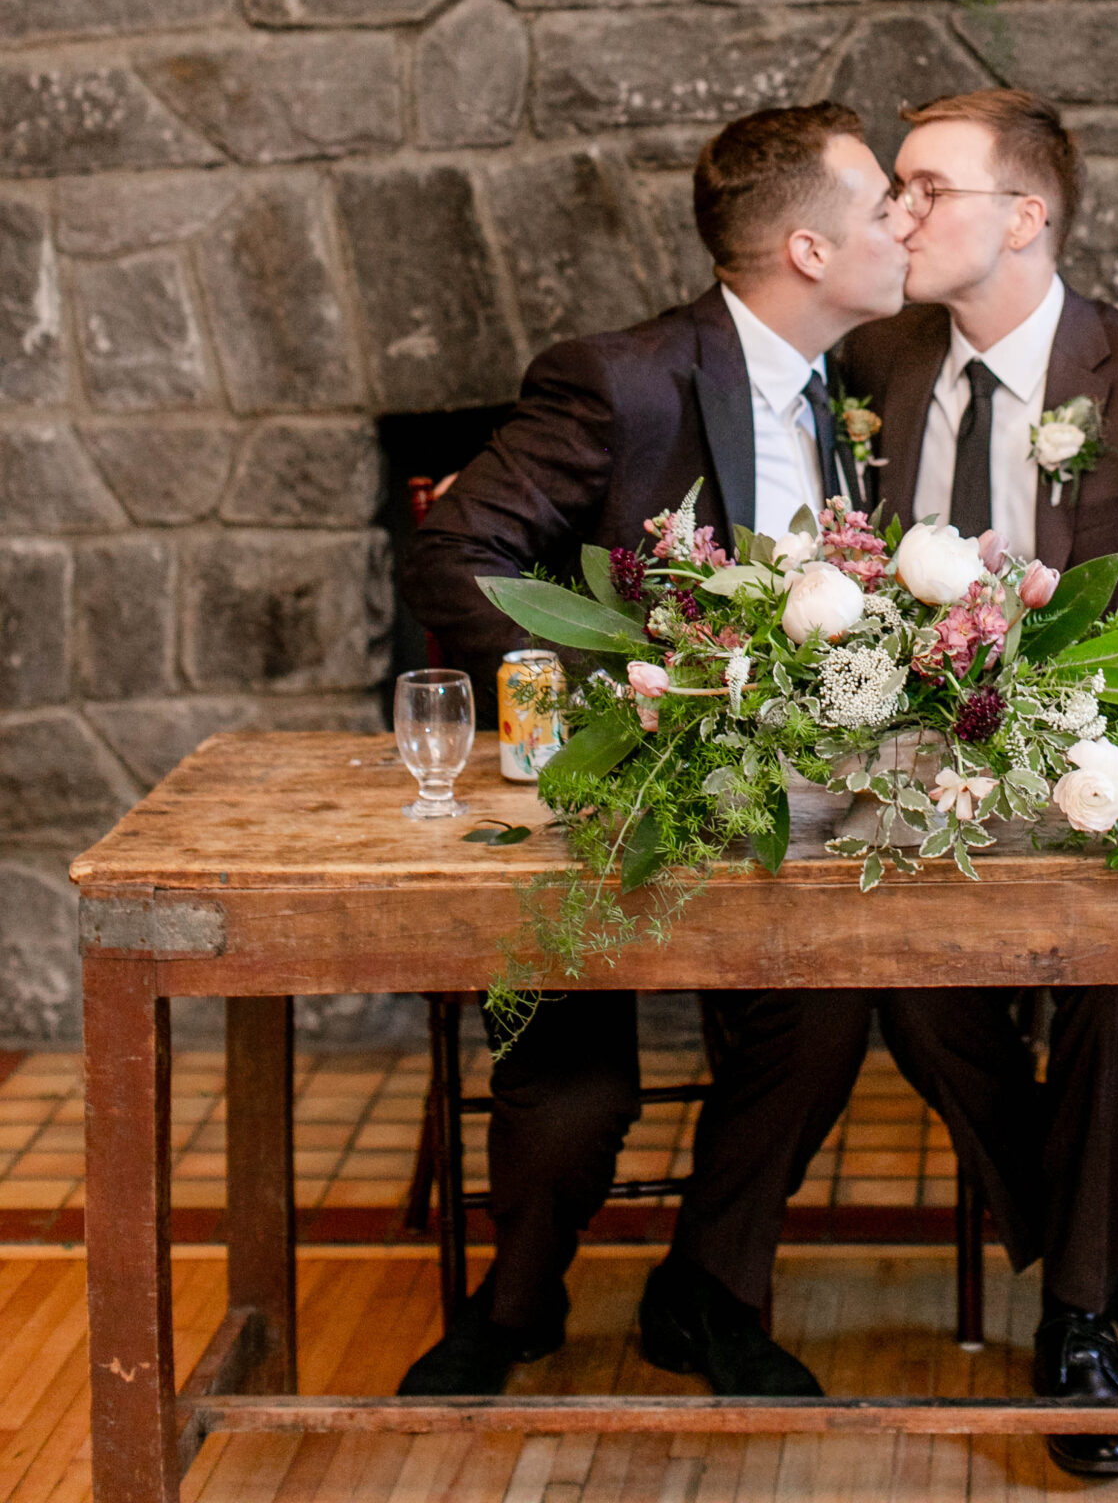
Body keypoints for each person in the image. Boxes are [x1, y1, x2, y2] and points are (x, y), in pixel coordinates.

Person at [397, 101, 909, 1400]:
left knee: (826, 1015)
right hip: (616, 806)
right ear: (806, 248)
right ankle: (517, 1304)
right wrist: (595, 706)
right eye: (881, 208)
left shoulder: (847, 398)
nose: (906, 227)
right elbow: (455, 551)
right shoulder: (624, 380)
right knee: (572, 1093)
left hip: (784, 814)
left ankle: (709, 1290)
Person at [837, 86, 1118, 1482]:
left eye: (924, 189)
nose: (895, 216)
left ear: (1024, 218)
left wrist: (1084, 748)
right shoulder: (876, 374)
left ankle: (1077, 1317)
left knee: (1112, 974)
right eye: (893, 192)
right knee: (899, 979)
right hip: (910, 787)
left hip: (1099, 788)